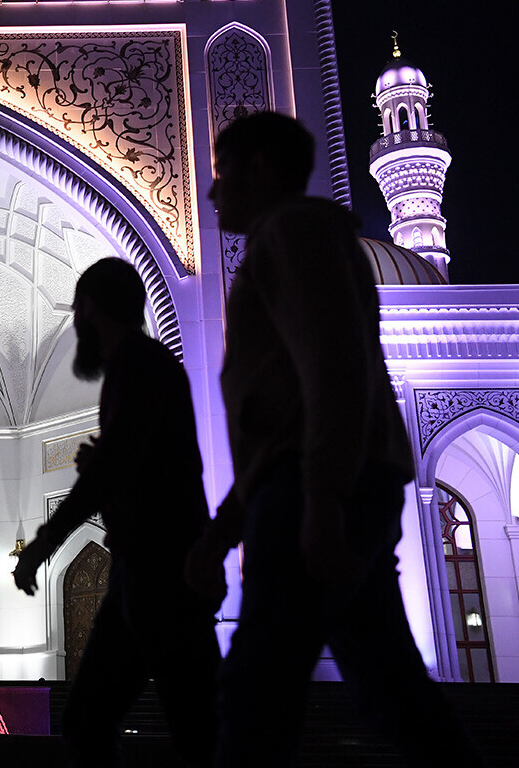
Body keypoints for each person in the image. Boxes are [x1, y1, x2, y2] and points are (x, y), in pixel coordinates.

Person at [186, 111, 480, 766]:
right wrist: (227, 526)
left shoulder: (292, 232)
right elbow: (288, 413)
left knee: (253, 689)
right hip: (325, 487)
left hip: (313, 495)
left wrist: (320, 502)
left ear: (260, 167)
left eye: (223, 171)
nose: (212, 191)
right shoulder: (296, 238)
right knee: (391, 689)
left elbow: (334, 370)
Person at [13, 257, 219, 767]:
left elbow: (116, 470)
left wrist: (41, 546)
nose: (77, 322)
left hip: (162, 574)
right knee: (100, 721)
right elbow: (133, 462)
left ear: (90, 309)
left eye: (78, 310)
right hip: (143, 574)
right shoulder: (141, 365)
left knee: (195, 729)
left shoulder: (137, 363)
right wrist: (105, 463)